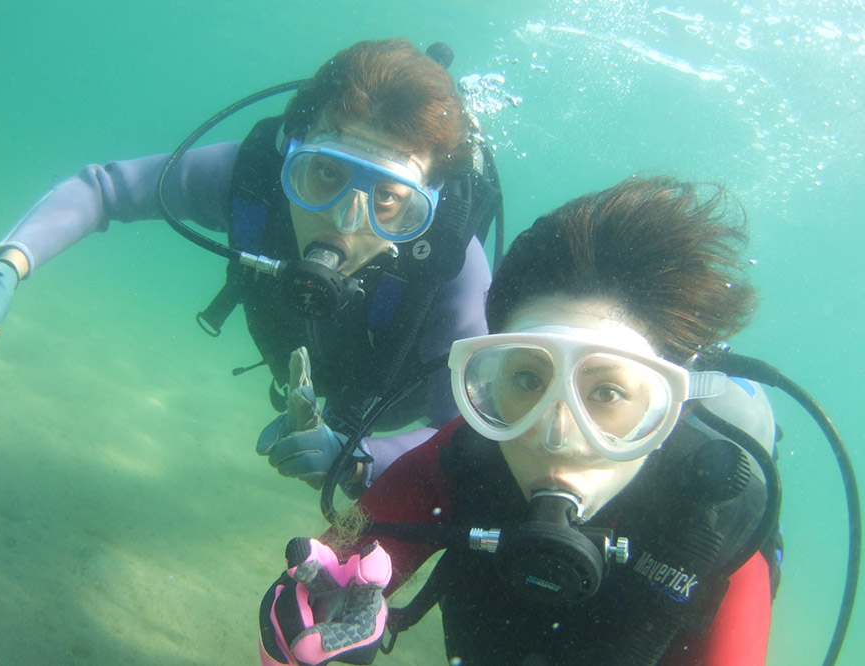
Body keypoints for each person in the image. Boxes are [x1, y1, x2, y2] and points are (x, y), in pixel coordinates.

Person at [0, 39, 502, 495]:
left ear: (426, 201)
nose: (344, 221)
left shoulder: (450, 265)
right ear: (290, 153)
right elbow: (105, 190)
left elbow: (457, 428)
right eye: (324, 174)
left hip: (390, 396)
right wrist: (4, 265)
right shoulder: (252, 178)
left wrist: (362, 460)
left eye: (388, 198)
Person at [258, 176, 781, 666]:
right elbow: (323, 579)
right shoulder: (461, 457)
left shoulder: (718, 526)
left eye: (607, 392)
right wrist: (294, 639)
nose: (556, 434)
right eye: (529, 380)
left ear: (672, 405)